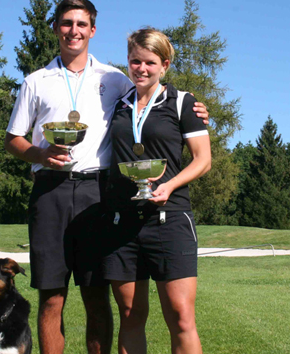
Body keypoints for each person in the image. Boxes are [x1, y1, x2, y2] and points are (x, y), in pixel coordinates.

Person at [4, 0, 209, 354]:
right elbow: (12, 140)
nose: (74, 31)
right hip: (50, 192)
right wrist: (40, 153)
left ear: (93, 30)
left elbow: (160, 108)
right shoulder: (35, 81)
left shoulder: (114, 79)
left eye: (81, 24)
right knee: (52, 297)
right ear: (55, 28)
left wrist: (195, 110)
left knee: (97, 295)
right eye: (66, 23)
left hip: (99, 193)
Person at [102, 28, 211, 354]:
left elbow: (203, 160)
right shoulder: (117, 105)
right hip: (123, 220)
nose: (141, 69)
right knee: (131, 316)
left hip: (170, 219)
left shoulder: (182, 103)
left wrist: (169, 185)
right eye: (135, 61)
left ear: (164, 64)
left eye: (150, 62)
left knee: (180, 317)